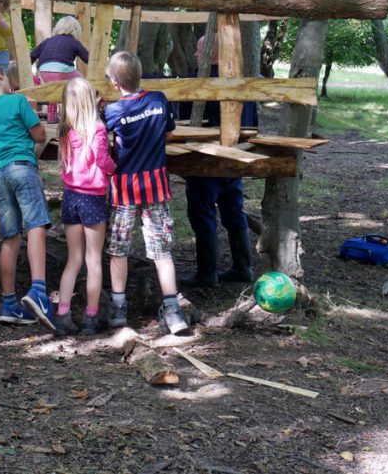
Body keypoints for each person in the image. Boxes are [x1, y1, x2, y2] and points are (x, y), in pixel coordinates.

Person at [103, 51, 190, 336]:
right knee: (161, 251)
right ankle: (173, 310)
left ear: (115, 82)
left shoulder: (114, 111)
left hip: (125, 189)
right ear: (140, 75)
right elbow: (168, 134)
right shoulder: (158, 100)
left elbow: (106, 142)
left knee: (119, 250)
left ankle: (118, 309)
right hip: (156, 186)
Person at [0, 62, 54, 331]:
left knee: (10, 236)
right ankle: (39, 292)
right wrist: (32, 114)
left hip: (0, 173)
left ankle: (9, 303)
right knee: (36, 226)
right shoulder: (17, 100)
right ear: (0, 76)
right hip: (22, 167)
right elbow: (40, 135)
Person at [178, 36, 258, 288]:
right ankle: (242, 266)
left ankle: (207, 272)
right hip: (235, 157)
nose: (194, 55)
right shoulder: (243, 83)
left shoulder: (199, 84)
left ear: (213, 54)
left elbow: (184, 122)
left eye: (199, 50)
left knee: (203, 213)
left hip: (205, 160)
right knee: (234, 210)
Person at [54, 76, 116, 336]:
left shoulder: (65, 129)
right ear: (90, 101)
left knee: (74, 259)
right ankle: (91, 316)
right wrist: (116, 170)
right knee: (93, 260)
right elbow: (102, 158)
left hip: (71, 197)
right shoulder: (98, 129)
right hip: (92, 197)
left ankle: (63, 315)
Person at [30, 16, 89, 124]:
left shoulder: (48, 41)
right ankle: (79, 112)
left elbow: (32, 55)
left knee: (55, 87)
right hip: (63, 70)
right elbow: (87, 58)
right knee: (82, 83)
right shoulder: (74, 42)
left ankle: (52, 116)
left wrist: (26, 72)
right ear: (76, 30)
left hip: (44, 71)